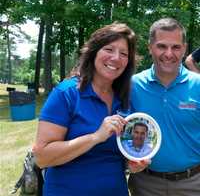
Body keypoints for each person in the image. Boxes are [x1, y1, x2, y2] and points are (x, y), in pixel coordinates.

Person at [32, 22, 144, 196]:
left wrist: (133, 164)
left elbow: (118, 156)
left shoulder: (125, 101)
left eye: (124, 54)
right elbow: (42, 157)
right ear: (93, 52)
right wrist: (95, 137)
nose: (116, 58)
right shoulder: (66, 94)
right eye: (109, 49)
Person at [128, 18, 200, 196]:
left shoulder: (198, 85)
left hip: (193, 183)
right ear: (150, 47)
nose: (169, 54)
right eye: (161, 46)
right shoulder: (132, 86)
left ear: (184, 49)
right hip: (145, 184)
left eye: (176, 47)